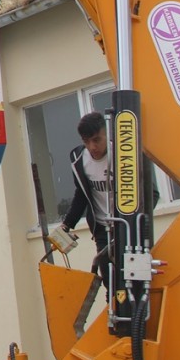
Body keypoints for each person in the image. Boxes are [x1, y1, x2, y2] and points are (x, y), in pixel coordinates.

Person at [58, 111, 112, 289]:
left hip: (127, 224)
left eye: (96, 140)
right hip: (102, 228)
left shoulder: (123, 153)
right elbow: (81, 194)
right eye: (86, 141)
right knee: (109, 281)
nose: (92, 147)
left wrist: (140, 222)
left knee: (131, 277)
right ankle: (112, 305)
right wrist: (67, 224)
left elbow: (150, 192)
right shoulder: (79, 159)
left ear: (107, 133)